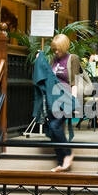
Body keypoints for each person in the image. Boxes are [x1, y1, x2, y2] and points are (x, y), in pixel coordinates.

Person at [33, 33, 80, 172]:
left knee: (54, 126)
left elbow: (74, 82)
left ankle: (68, 154)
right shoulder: (54, 59)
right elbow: (49, 76)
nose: (56, 52)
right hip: (53, 100)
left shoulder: (73, 59)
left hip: (65, 99)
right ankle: (61, 161)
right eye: (54, 49)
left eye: (58, 49)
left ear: (64, 47)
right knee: (52, 130)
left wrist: (73, 102)